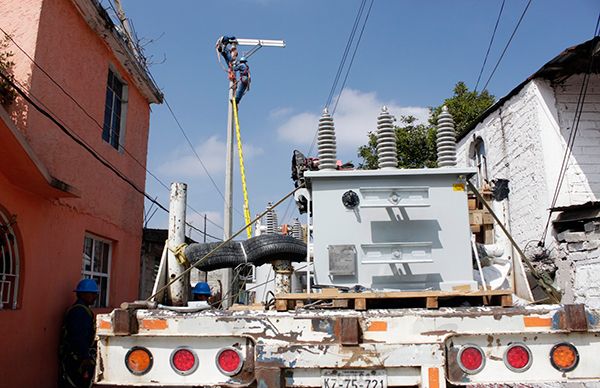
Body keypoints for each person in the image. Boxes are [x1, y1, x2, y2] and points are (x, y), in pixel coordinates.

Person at [58, 279, 98, 388]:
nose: (95, 297)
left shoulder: (82, 310)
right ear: (83, 294)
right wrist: (85, 357)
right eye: (92, 294)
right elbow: (78, 337)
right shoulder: (79, 312)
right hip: (76, 358)